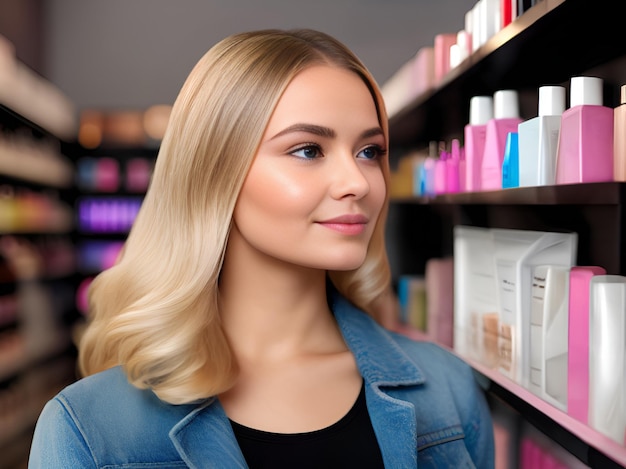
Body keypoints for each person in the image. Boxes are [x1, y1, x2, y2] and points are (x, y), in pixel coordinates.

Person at [29, 29, 494, 468]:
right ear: (214, 171)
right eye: (309, 150)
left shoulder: (447, 392)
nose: (358, 182)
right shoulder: (87, 429)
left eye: (369, 151)